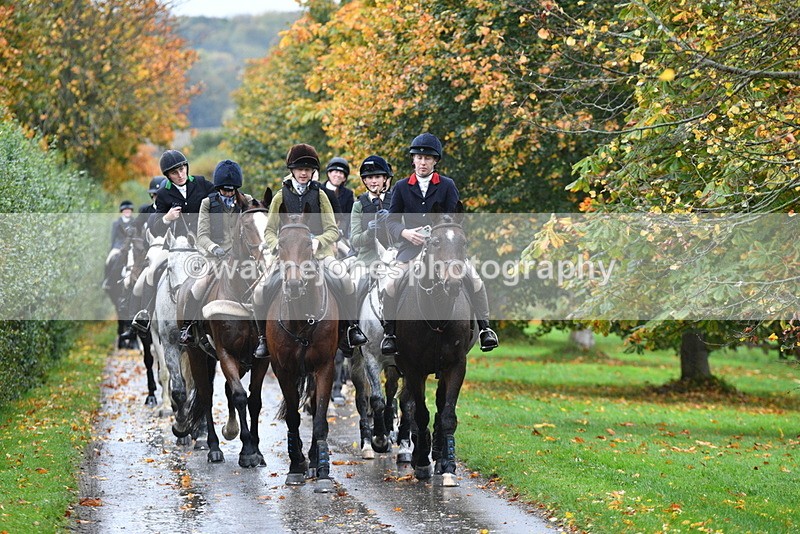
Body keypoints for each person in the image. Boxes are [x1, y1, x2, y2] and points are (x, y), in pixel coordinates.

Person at [380, 133, 499, 355]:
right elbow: (392, 220)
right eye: (419, 157)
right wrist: (405, 233)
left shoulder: (447, 185)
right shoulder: (402, 186)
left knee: (475, 279)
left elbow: (455, 218)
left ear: (435, 161)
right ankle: (390, 334)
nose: (423, 162)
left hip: (445, 250)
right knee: (392, 283)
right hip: (411, 249)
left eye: (427, 158)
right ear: (413, 160)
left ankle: (485, 329)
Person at [258, 143, 367, 357]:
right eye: (300, 169)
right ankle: (263, 339)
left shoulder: (321, 195)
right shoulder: (280, 197)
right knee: (260, 291)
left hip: (320, 255)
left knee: (344, 281)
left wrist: (319, 241)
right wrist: (276, 247)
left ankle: (350, 330)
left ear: (313, 172)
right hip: (287, 257)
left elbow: (333, 230)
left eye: (308, 169)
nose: (304, 173)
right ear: (292, 170)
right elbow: (269, 231)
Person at [129, 149, 214, 332]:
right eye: (175, 173)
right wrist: (167, 218)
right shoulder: (164, 194)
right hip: (175, 245)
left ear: (186, 168)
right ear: (167, 176)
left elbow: (219, 198)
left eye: (182, 169)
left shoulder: (200, 183)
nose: (180, 175)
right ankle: (145, 314)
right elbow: (155, 227)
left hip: (203, 242)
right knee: (151, 271)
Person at [179, 159, 255, 345]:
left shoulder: (247, 201)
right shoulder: (207, 204)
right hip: (215, 257)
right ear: (218, 188)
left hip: (243, 259)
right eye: (224, 190)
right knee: (198, 285)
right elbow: (202, 235)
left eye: (232, 190)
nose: (228, 194)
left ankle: (264, 333)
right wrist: (215, 248)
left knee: (263, 287)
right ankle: (188, 327)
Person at [349, 155, 394, 279]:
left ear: (385, 178)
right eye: (369, 177)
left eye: (377, 177)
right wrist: (368, 233)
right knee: (353, 285)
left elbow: (404, 231)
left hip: (393, 256)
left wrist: (391, 219)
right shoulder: (358, 206)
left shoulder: (396, 201)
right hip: (366, 260)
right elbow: (355, 240)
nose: (374, 181)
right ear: (364, 181)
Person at [323, 157, 355, 239]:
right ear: (329, 173)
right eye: (336, 172)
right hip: (320, 232)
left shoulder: (348, 194)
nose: (338, 175)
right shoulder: (318, 190)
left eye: (341, 173)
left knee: (347, 251)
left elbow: (348, 216)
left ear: (344, 178)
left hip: (340, 234)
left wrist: (341, 231)